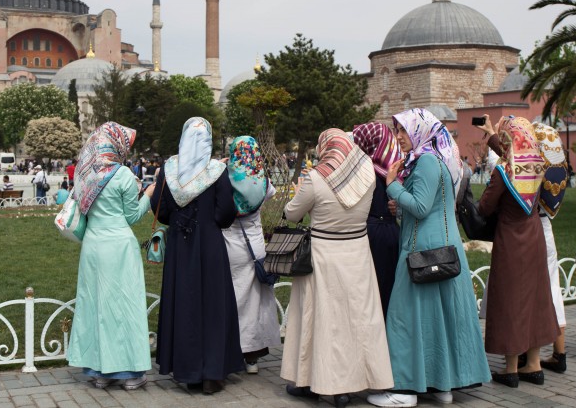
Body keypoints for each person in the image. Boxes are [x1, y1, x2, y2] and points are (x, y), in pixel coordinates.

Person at [368, 110, 489, 407]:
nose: (398, 137)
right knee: (439, 320)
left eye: (404, 131)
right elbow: (432, 203)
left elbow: (421, 207)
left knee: (406, 319)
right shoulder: (441, 158)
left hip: (421, 250)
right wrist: (402, 207)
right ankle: (442, 386)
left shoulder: (425, 162)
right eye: (396, 131)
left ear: (420, 132)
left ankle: (405, 390)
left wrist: (393, 184)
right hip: (444, 249)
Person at [282, 129, 393, 408]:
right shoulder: (367, 171)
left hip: (323, 254)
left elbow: (292, 213)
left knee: (322, 321)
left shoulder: (316, 178)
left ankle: (316, 382)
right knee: (358, 320)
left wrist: (296, 196)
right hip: (357, 252)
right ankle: (358, 380)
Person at [149, 117, 242, 395]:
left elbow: (160, 209)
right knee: (212, 305)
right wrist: (209, 222)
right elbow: (226, 209)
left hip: (180, 245)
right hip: (210, 244)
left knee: (185, 301)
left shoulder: (169, 169)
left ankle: (188, 371)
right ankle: (212, 373)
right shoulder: (217, 171)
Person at [67, 122, 153, 390]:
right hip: (119, 246)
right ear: (116, 145)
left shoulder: (84, 174)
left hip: (93, 245)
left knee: (96, 305)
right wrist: (148, 195)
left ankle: (100, 370)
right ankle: (128, 373)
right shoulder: (123, 175)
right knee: (125, 305)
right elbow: (132, 216)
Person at [475, 115, 558, 388]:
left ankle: (510, 368)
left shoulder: (503, 171)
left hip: (511, 238)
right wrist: (491, 136)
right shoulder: (537, 164)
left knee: (511, 298)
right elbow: (515, 154)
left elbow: (485, 207)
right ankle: (533, 364)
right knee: (535, 297)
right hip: (534, 234)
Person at [221, 136, 281, 375]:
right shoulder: (262, 181)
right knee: (256, 300)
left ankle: (230, 349)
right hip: (255, 246)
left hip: (229, 243)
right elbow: (271, 195)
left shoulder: (225, 180)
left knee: (231, 297)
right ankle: (252, 356)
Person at [351, 121, 402, 320]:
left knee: (373, 293)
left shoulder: (364, 170)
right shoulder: (395, 165)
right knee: (389, 290)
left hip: (372, 235)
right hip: (392, 231)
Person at [532, 123, 570, 373]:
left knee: (527, 290)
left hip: (531, 227)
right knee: (553, 288)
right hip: (547, 228)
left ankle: (527, 356)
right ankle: (560, 351)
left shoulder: (535, 165)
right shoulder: (559, 167)